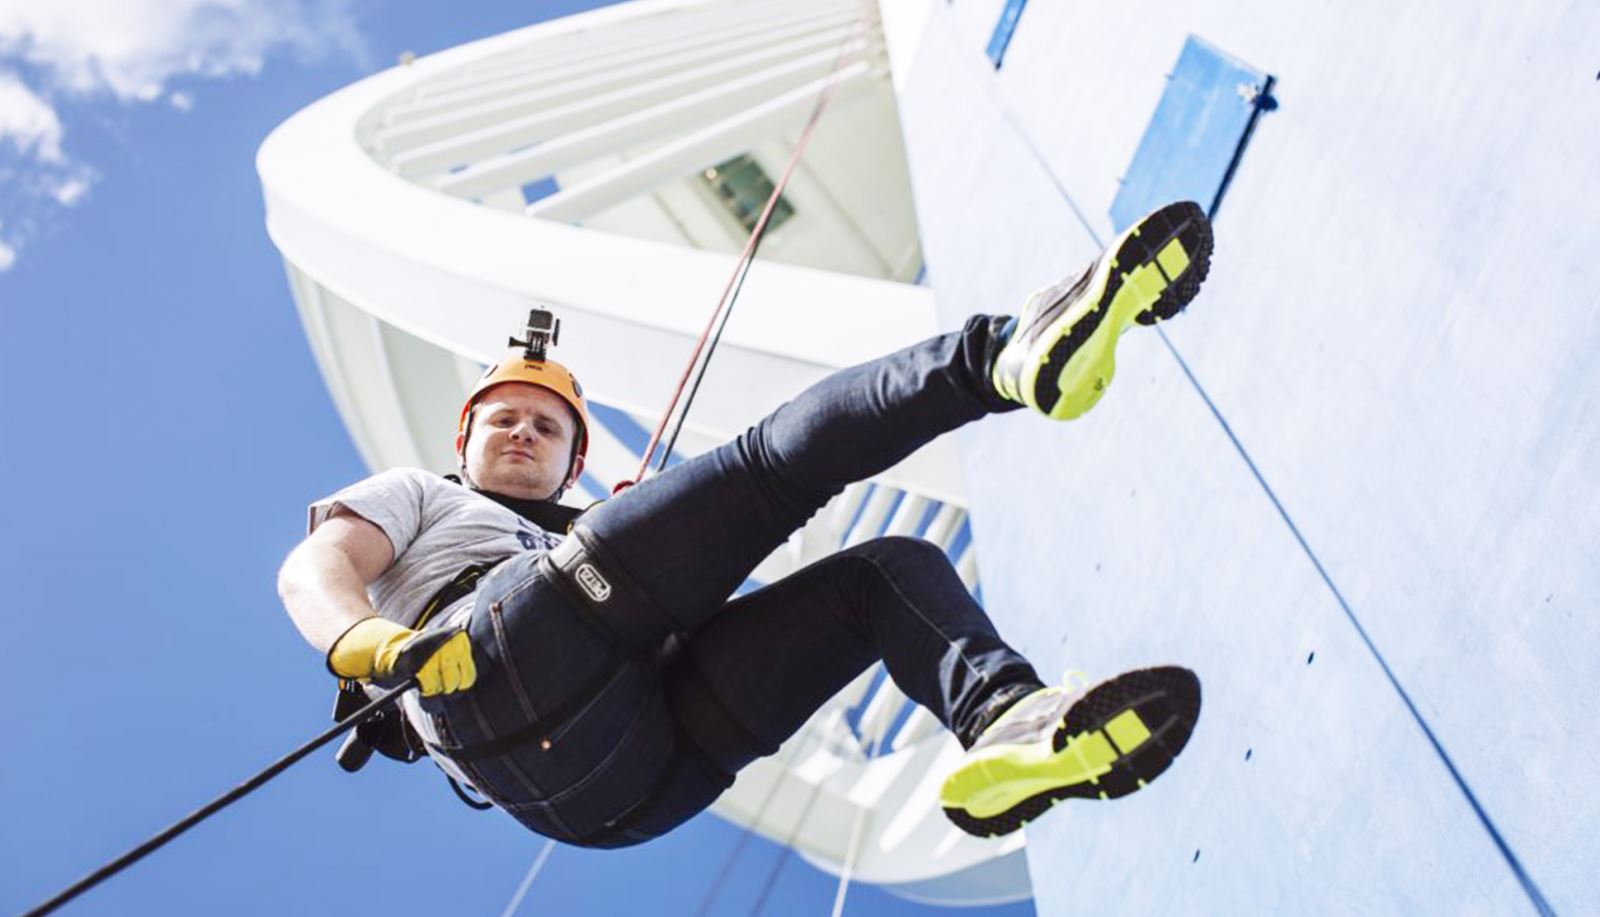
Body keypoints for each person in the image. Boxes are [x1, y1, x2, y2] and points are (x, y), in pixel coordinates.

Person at [278, 200, 1211, 846]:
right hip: (491, 656)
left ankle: (1006, 720)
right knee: (771, 471)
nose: (523, 430)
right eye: (504, 419)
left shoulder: (571, 534)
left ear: (574, 462)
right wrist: (369, 641)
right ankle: (1002, 357)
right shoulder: (423, 493)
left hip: (629, 791)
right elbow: (314, 566)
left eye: (549, 426)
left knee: (881, 576)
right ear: (462, 438)